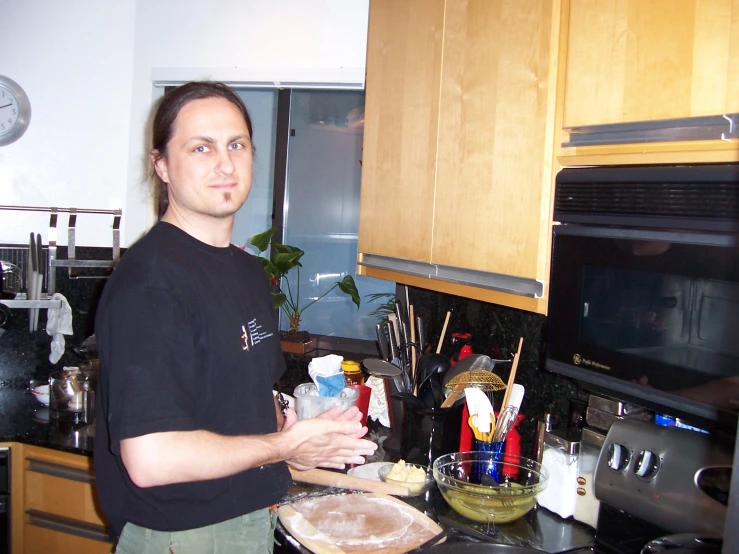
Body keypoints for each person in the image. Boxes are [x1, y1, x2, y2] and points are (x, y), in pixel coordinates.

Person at [94, 81, 377, 554]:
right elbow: (152, 459)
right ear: (161, 164)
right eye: (201, 147)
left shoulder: (244, 270)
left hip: (248, 522)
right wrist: (284, 447)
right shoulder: (152, 283)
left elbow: (247, 392)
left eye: (236, 144)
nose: (225, 164)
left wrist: (295, 429)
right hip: (182, 538)